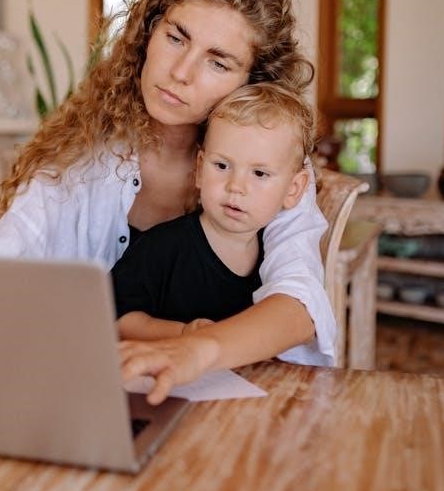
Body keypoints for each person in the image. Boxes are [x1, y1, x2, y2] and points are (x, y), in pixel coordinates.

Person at [0, 0, 335, 402]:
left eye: (218, 62)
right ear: (147, 34)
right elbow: (2, 257)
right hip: (89, 393)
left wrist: (196, 349)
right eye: (176, 38)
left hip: (242, 400)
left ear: (252, 82)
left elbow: (299, 305)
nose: (180, 73)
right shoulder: (78, 155)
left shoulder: (267, 172)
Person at [111, 83, 314, 344]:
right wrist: (183, 333)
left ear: (293, 189)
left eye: (259, 173)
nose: (236, 186)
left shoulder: (276, 260)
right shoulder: (161, 248)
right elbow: (117, 319)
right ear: (199, 168)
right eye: (222, 165)